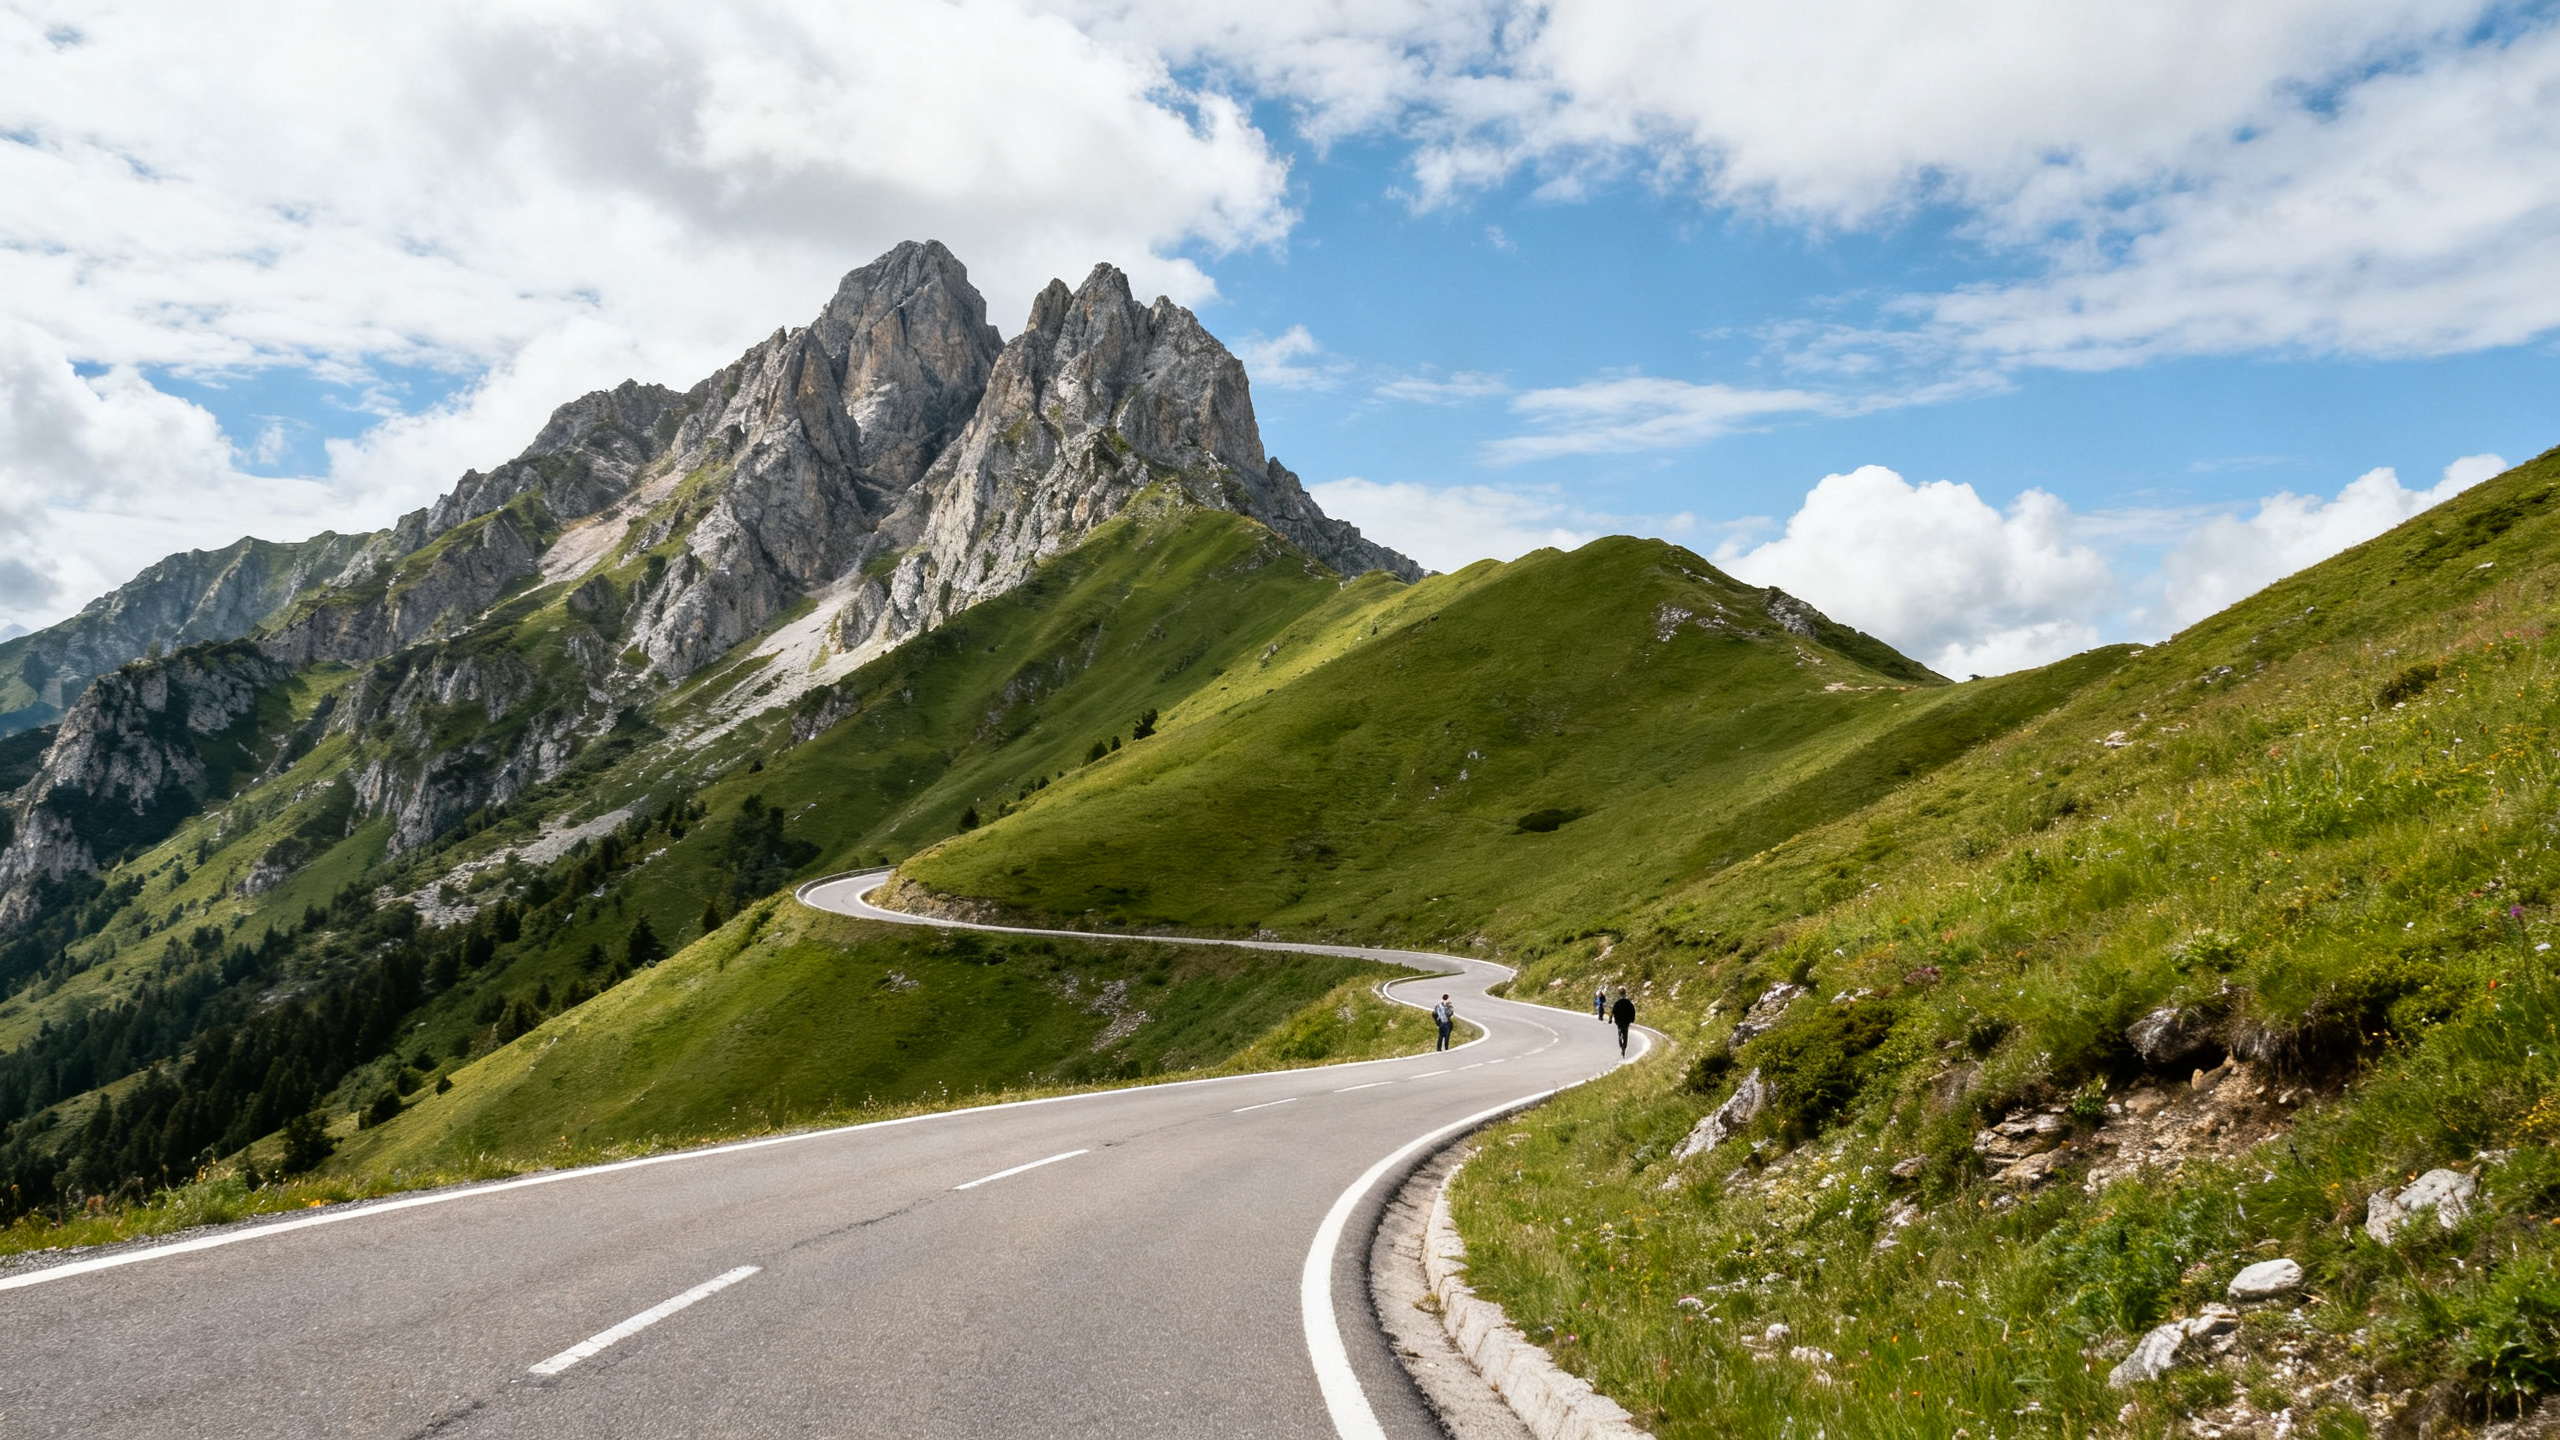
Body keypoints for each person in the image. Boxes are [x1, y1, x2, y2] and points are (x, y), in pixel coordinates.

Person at [1610, 987, 1636, 1057]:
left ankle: (1621, 1043)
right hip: (1626, 1020)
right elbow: (1632, 1010)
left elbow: (1613, 1010)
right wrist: (1632, 1018)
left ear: (1619, 993)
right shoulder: (1628, 1002)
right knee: (1625, 1033)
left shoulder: (1617, 1002)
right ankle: (1624, 1046)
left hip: (1619, 1020)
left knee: (1620, 1032)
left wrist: (1610, 1018)